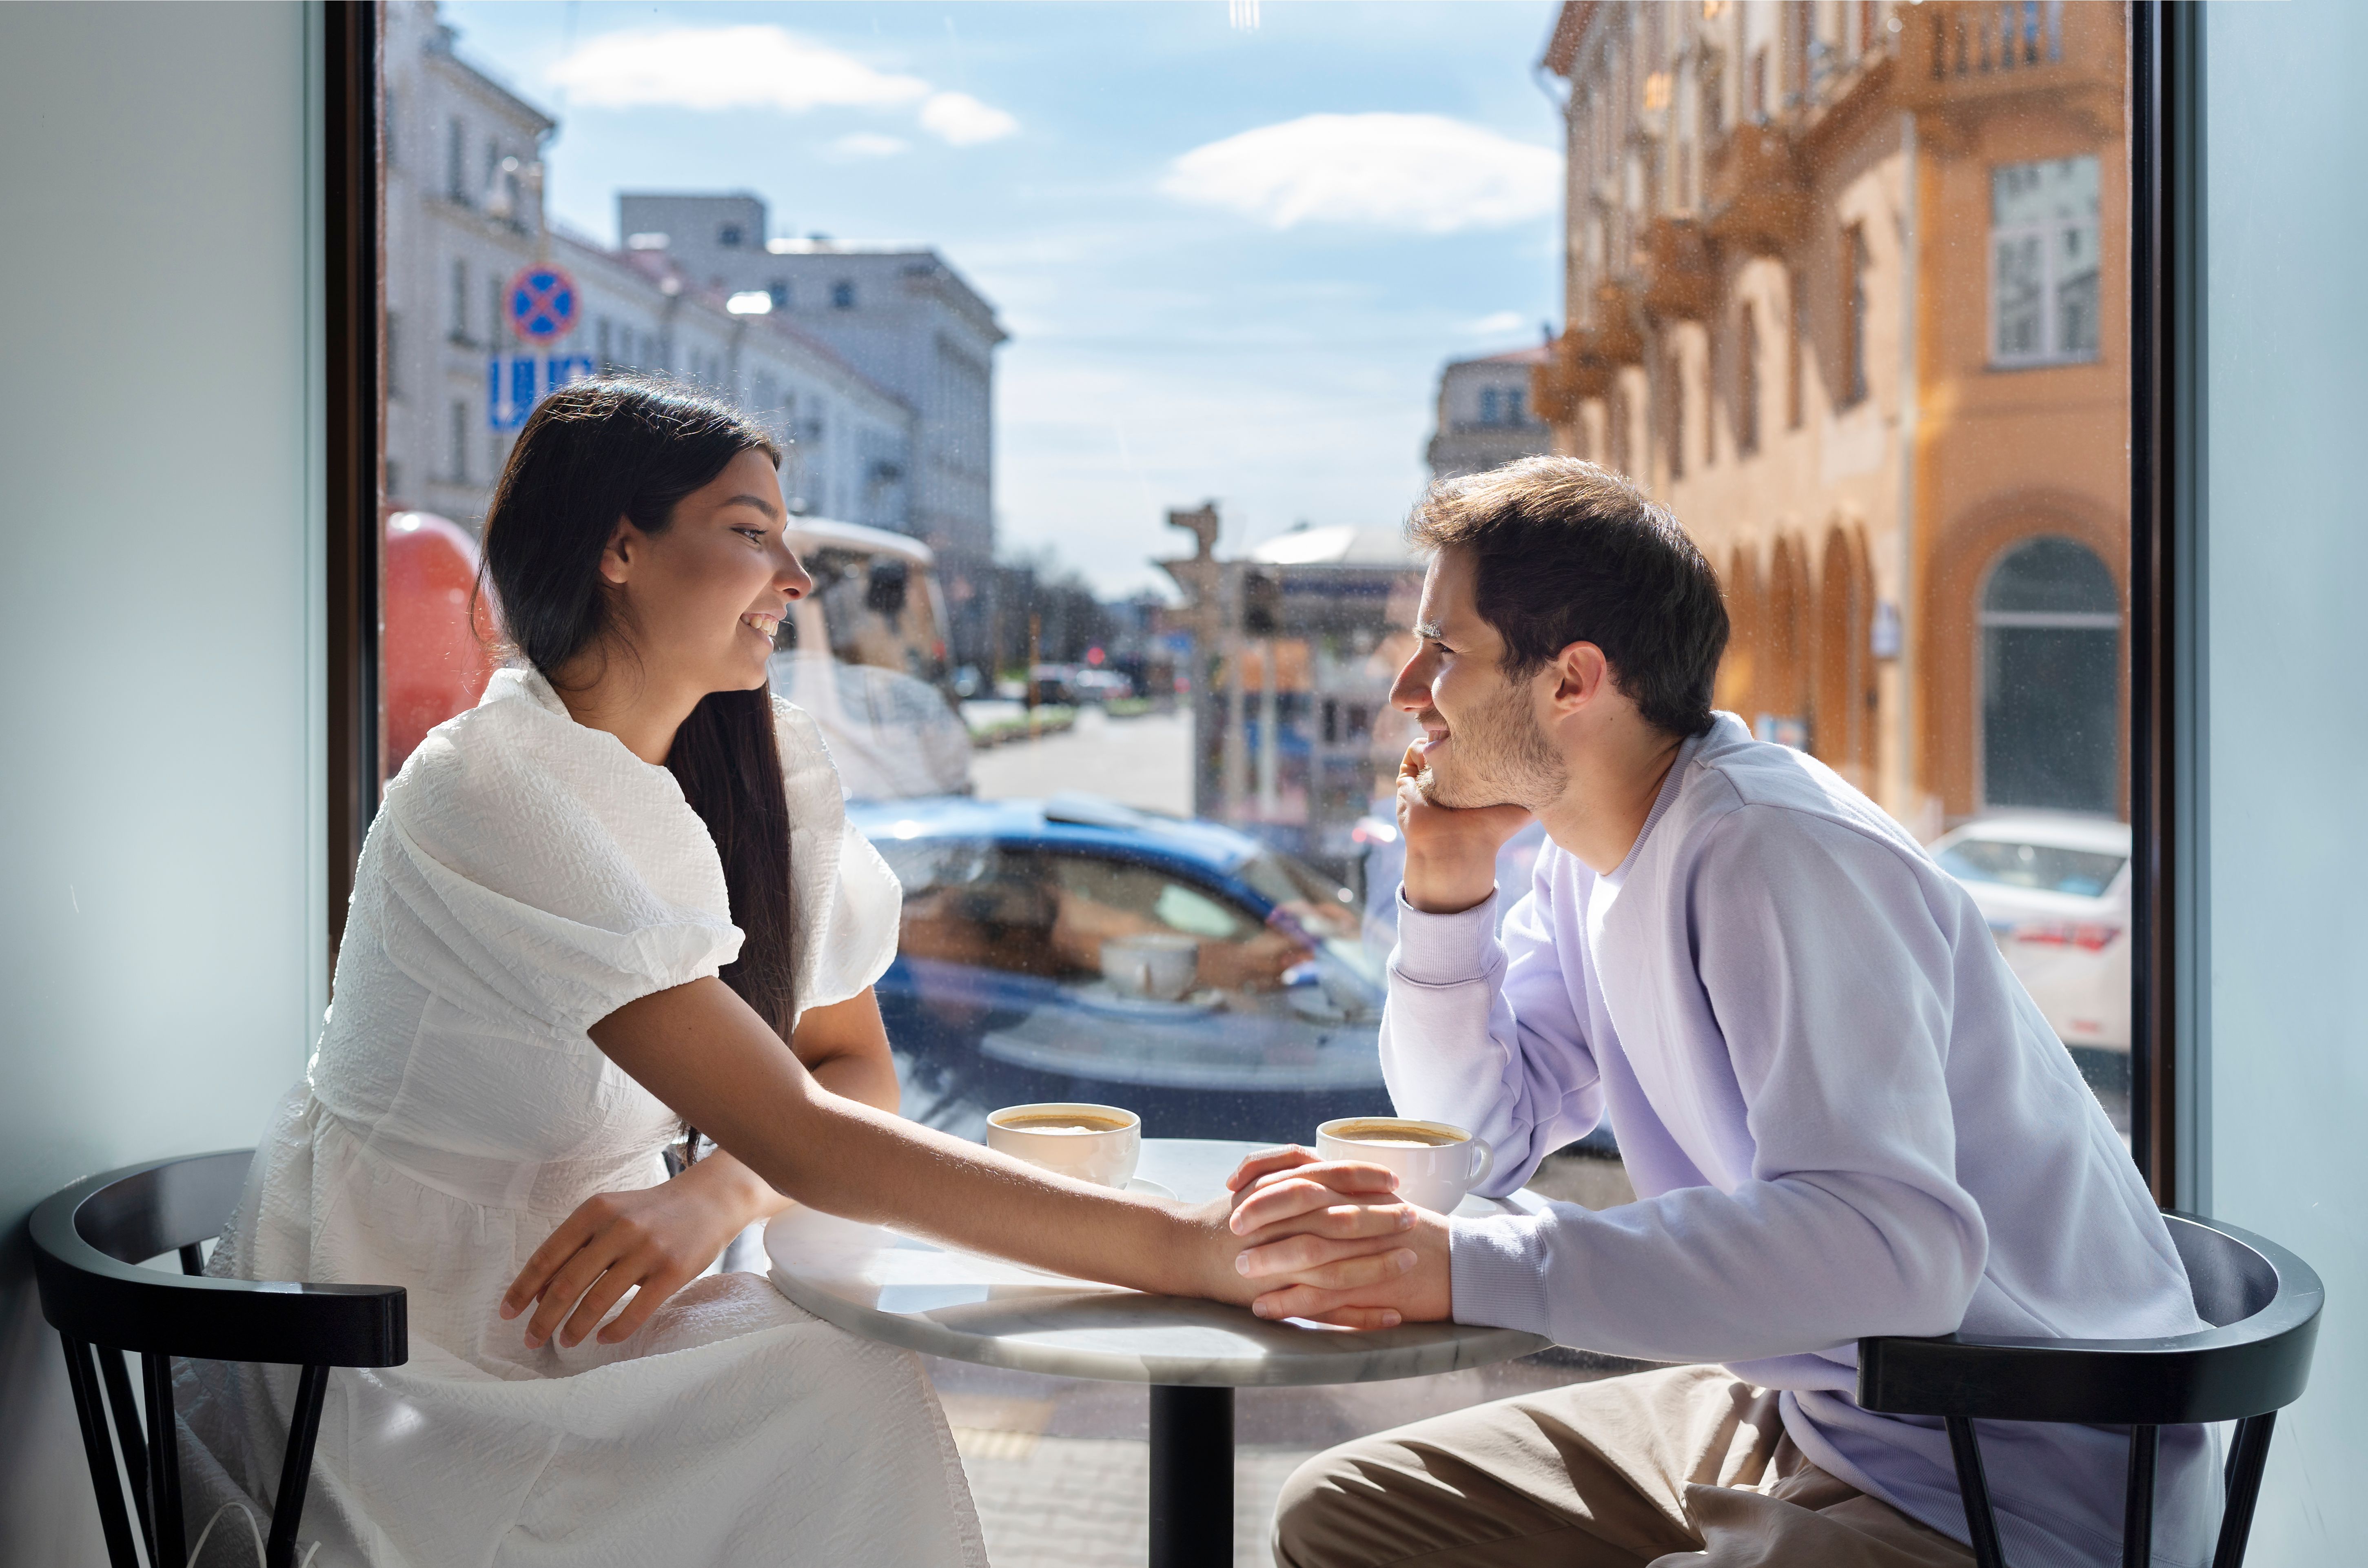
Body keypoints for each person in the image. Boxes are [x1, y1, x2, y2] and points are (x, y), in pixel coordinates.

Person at [175, 377, 1416, 1568]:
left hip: (569, 1306)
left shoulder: (753, 769)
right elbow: (807, 1132)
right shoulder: (494, 788)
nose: (796, 577)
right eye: (748, 532)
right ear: (620, 549)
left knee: (837, 1370)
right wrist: (1186, 1245)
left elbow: (849, 1067)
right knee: (831, 1384)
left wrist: (708, 1202)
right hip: (399, 1348)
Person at [1228, 457, 2211, 1568]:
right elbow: (1477, 1139)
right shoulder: (1587, 857)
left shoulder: (1768, 847)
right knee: (1346, 1510)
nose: (1408, 689)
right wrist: (1448, 883)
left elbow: (1895, 1251)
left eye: (1442, 649)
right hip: (1823, 1409)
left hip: (2000, 1476)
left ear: (1572, 681)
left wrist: (1465, 1265)